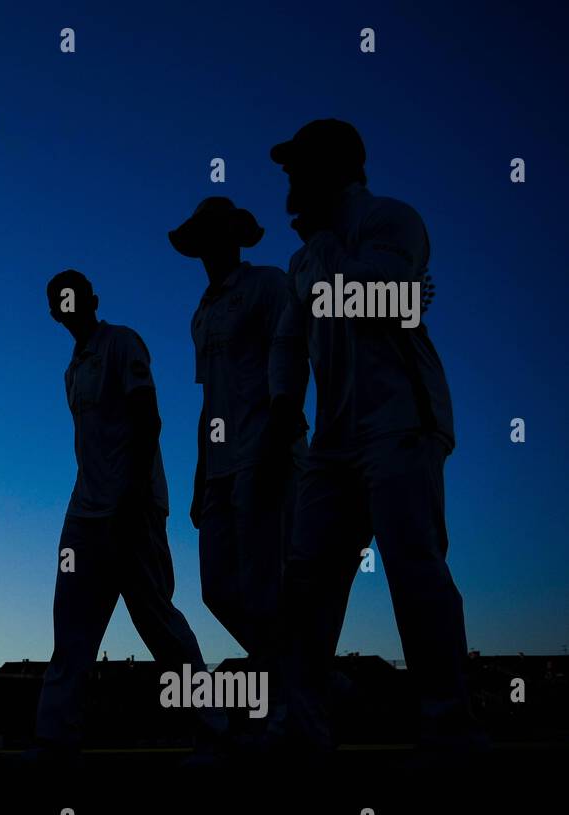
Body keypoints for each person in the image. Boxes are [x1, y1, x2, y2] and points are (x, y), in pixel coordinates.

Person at [270, 119, 479, 751]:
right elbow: (288, 339)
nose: (290, 184)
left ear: (335, 170)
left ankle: (450, 727)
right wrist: (284, 402)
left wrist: (329, 247)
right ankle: (300, 725)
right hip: (334, 440)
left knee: (413, 567)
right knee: (307, 580)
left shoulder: (392, 220)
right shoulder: (302, 258)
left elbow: (377, 300)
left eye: (299, 170)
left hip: (402, 422)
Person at [34, 269, 222, 762]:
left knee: (157, 620)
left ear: (92, 300)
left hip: (132, 510)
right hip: (86, 513)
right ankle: (56, 739)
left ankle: (213, 726)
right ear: (54, 313)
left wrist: (133, 497)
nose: (67, 305)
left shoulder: (122, 343)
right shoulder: (71, 371)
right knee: (72, 624)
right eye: (59, 300)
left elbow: (148, 417)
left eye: (74, 295)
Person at [169, 198, 308, 662]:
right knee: (218, 589)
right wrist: (199, 475)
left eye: (219, 231)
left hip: (264, 450)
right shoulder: (201, 313)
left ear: (234, 237)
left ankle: (290, 703)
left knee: (264, 583)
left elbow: (291, 357)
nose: (212, 243)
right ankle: (311, 676)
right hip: (221, 467)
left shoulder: (267, 285)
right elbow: (210, 399)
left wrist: (280, 439)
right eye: (203, 234)